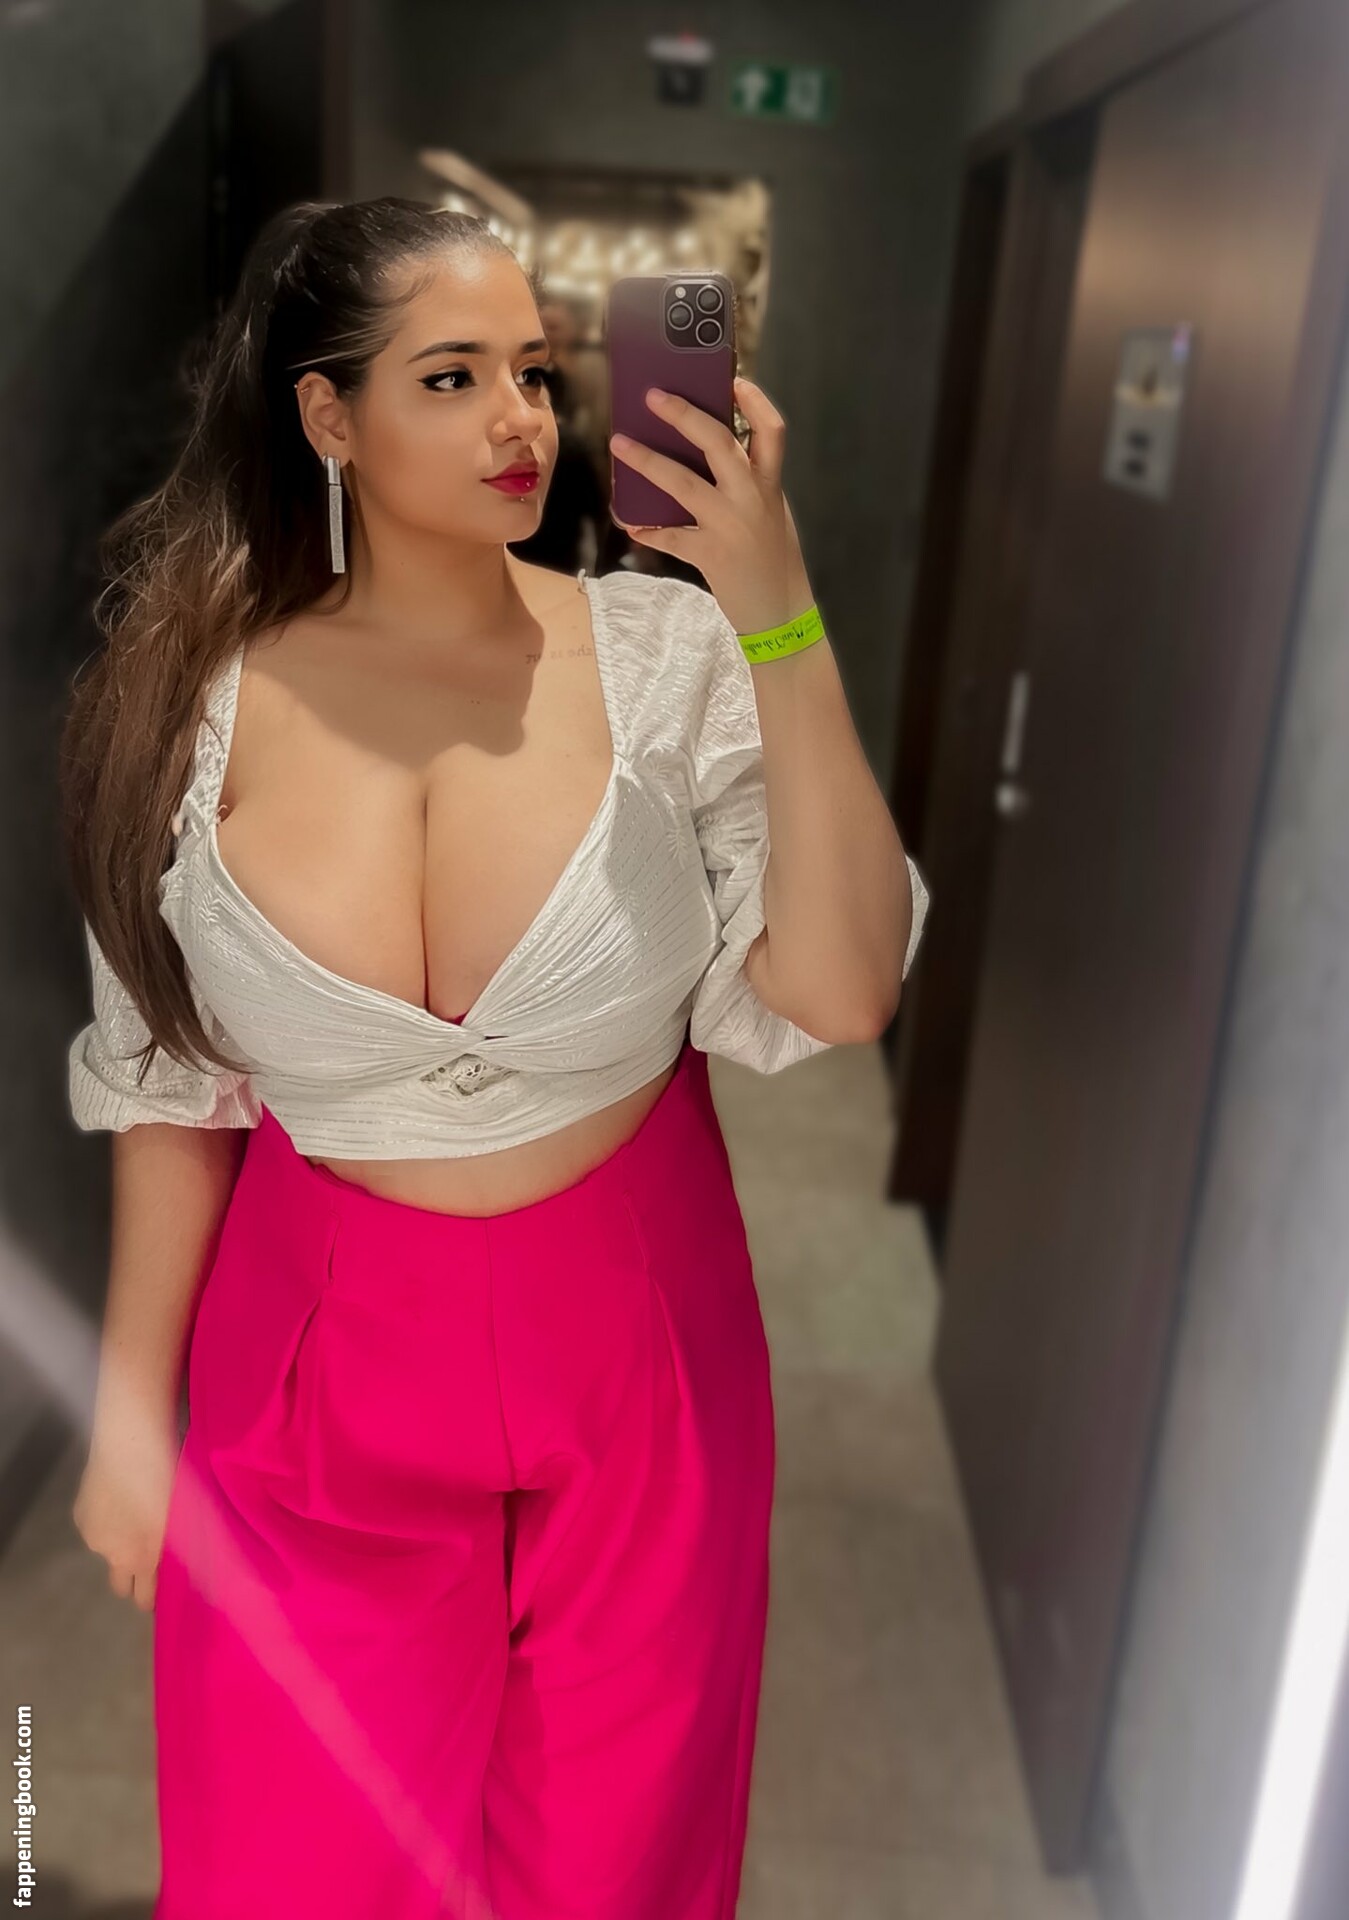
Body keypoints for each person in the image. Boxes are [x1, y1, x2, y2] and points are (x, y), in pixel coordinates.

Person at [60, 195, 929, 1920]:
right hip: (313, 1361)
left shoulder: (665, 655)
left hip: (635, 1355)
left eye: (533, 370)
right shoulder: (184, 702)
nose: (518, 419)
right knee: (289, 1863)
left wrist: (775, 610)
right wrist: (130, 1415)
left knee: (612, 1867)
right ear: (328, 416)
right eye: (450, 377)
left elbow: (839, 992)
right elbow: (168, 1083)